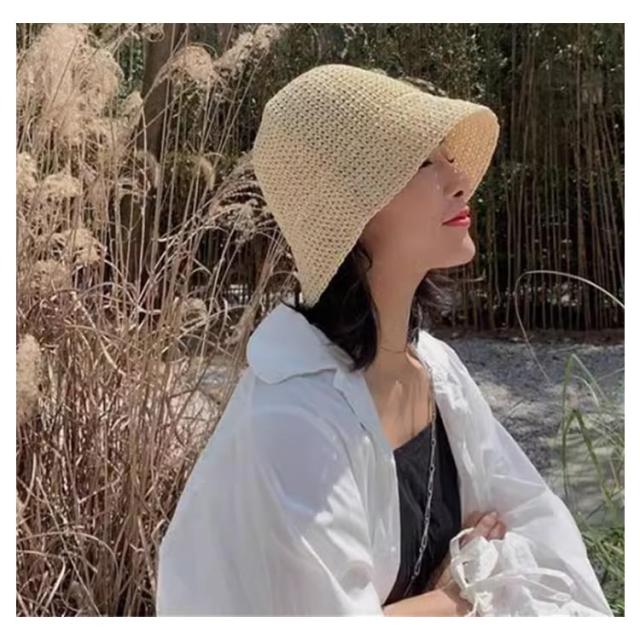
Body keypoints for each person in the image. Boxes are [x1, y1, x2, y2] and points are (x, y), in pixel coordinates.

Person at [155, 64, 612, 616]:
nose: (461, 181)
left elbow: (535, 535)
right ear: (352, 202)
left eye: (449, 157)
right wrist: (457, 597)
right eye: (426, 162)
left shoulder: (436, 370)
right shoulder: (293, 418)